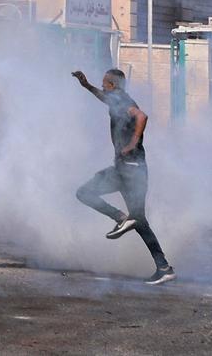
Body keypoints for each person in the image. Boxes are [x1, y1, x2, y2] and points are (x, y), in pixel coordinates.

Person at [71, 68, 175, 285]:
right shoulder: (117, 99)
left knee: (85, 193)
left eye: (103, 84)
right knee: (139, 221)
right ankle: (164, 268)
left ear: (112, 85)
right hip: (126, 170)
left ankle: (122, 218)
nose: (102, 87)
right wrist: (86, 85)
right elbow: (103, 98)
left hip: (130, 169)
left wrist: (133, 142)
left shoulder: (122, 99)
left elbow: (141, 116)